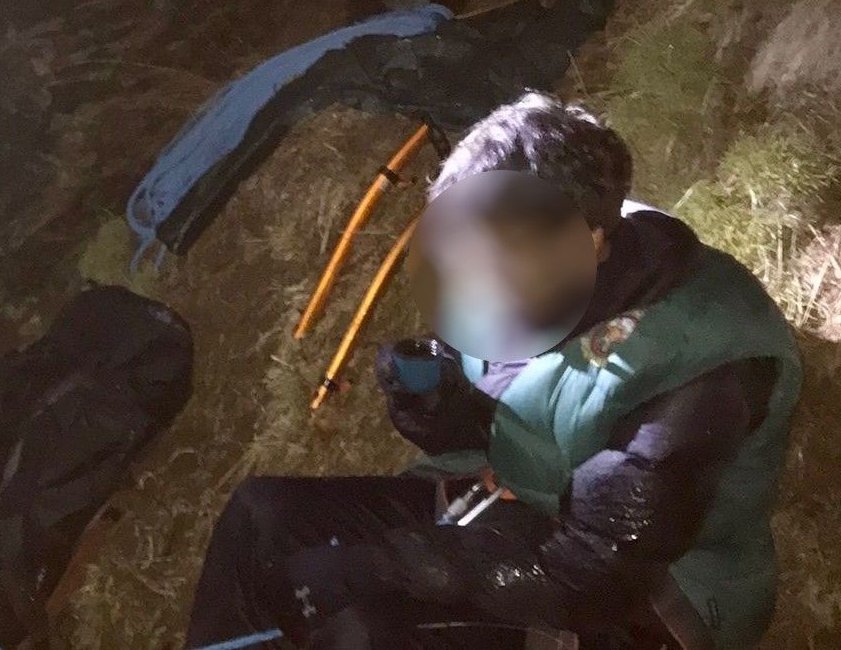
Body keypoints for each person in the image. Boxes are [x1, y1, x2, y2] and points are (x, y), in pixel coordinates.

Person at [184, 93, 801, 649]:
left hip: (646, 591)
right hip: (512, 502)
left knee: (365, 633)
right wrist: (439, 406)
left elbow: (592, 576)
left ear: (591, 238)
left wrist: (380, 568)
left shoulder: (697, 369)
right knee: (264, 516)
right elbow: (512, 420)